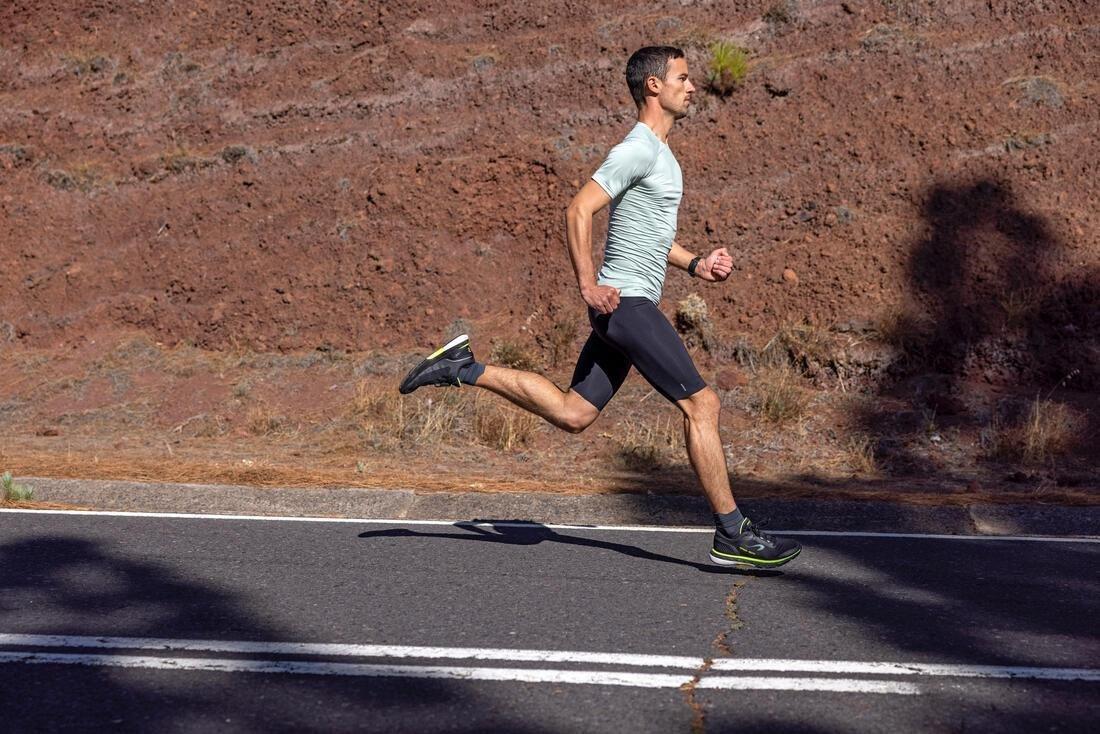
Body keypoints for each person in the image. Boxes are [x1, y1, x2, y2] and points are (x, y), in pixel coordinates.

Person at [399, 46, 801, 569]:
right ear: (654, 85)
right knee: (702, 405)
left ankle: (462, 368)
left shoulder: (661, 155)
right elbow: (579, 209)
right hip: (625, 304)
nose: (692, 86)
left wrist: (695, 264)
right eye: (683, 77)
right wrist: (588, 284)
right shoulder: (638, 149)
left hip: (624, 305)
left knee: (574, 413)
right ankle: (733, 533)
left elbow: (650, 235)